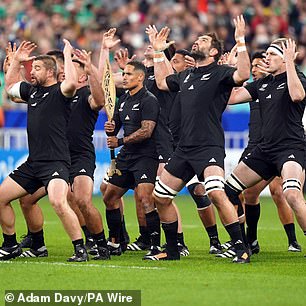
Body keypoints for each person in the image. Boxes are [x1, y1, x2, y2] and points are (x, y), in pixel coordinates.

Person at [149, 15, 251, 262]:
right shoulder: (186, 76)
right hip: (184, 149)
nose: (196, 42)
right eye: (197, 39)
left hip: (209, 146)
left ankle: (241, 248)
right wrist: (157, 52)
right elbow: (162, 83)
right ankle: (173, 251)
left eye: (203, 40)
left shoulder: (220, 73)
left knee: (216, 193)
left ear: (214, 51)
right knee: (160, 197)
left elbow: (244, 73)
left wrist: (240, 41)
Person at [0, 40, 88, 262]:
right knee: (1, 198)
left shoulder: (61, 92)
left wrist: (67, 55)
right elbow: (10, 88)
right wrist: (17, 62)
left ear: (51, 72)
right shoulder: (32, 92)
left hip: (56, 163)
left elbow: (70, 81)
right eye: (32, 68)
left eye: (37, 68)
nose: (32, 71)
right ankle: (10, 245)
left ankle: (80, 249)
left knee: (59, 202)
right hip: (34, 164)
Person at [225, 38, 306, 258]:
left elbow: (298, 95)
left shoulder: (297, 78)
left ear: (285, 58)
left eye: (272, 54)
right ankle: (243, 245)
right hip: (265, 149)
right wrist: (229, 70)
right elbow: (231, 99)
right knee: (229, 190)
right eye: (267, 54)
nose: (266, 58)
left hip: (290, 147)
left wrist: (290, 63)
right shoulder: (262, 83)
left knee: (290, 193)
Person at [102, 61, 161, 257]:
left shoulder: (149, 99)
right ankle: (115, 241)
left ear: (140, 77)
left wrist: (119, 140)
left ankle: (154, 246)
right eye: (123, 73)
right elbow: (115, 126)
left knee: (145, 198)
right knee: (109, 197)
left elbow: (147, 131)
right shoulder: (124, 100)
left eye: (128, 74)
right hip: (126, 156)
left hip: (145, 156)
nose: (124, 77)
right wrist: (110, 128)